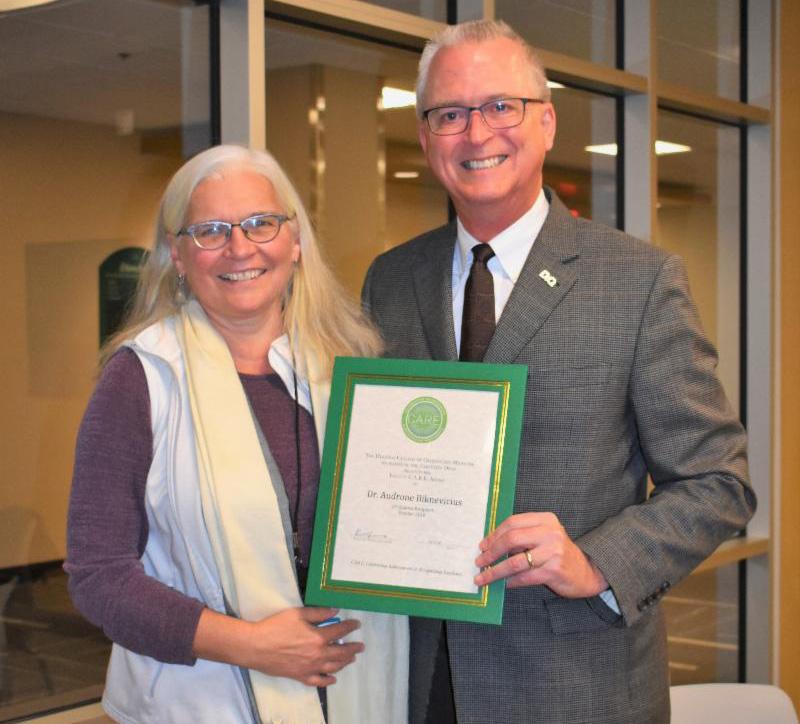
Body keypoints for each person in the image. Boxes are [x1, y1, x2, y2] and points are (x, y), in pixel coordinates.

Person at [361, 19, 755, 724]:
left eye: (500, 106)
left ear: (546, 123)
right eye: (449, 114)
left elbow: (718, 482)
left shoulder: (637, 281)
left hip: (576, 689)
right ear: (425, 138)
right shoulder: (391, 281)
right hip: (418, 686)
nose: (476, 134)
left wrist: (598, 562)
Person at [66, 144, 408, 724]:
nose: (240, 247)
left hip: (353, 694)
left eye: (260, 223)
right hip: (203, 701)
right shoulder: (141, 378)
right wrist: (250, 645)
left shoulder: (353, 371)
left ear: (295, 242)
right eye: (211, 231)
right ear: (176, 254)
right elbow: (99, 576)